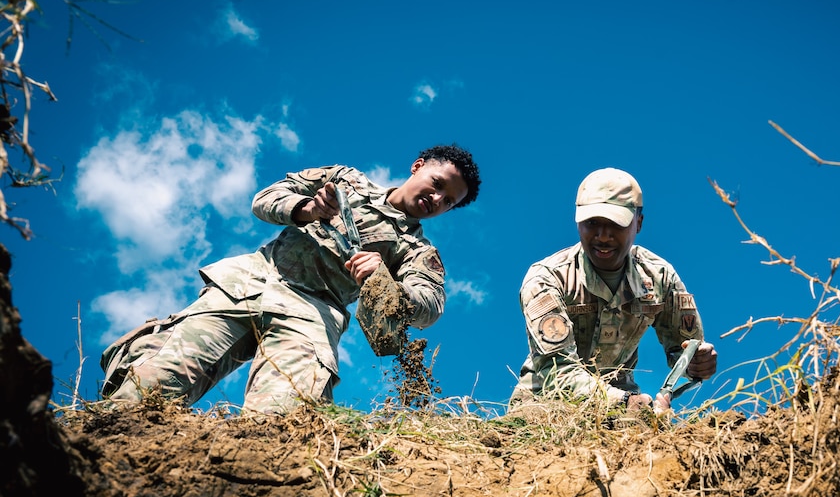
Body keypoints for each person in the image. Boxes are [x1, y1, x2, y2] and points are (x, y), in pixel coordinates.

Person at [99, 143, 481, 413]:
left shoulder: (416, 250)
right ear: (417, 166)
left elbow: (429, 305)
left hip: (310, 316)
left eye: (449, 201)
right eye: (438, 183)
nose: (437, 199)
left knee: (285, 419)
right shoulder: (344, 179)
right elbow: (266, 198)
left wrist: (386, 282)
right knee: (149, 388)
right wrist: (307, 208)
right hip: (248, 284)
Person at [508, 167, 716, 415]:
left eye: (615, 224)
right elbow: (557, 368)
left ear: (638, 223)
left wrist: (694, 364)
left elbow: (685, 347)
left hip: (624, 408)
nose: (603, 236)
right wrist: (624, 402)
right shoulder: (546, 278)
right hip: (545, 404)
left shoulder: (660, 277)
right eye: (592, 223)